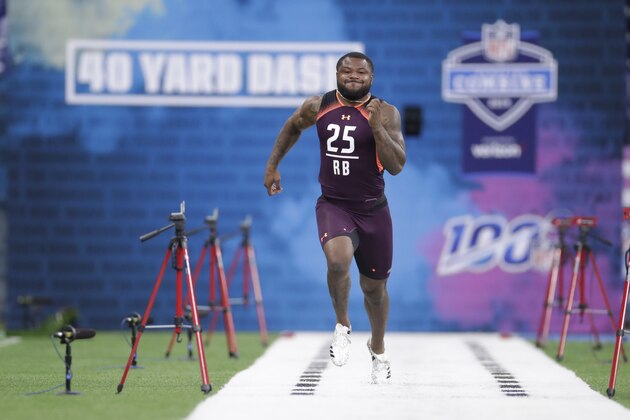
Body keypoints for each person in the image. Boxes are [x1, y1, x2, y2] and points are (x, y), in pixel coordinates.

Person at [263, 51, 406, 384]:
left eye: (361, 72)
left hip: (373, 209)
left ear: (372, 78)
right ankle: (342, 325)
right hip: (334, 204)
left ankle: (378, 348)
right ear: (337, 74)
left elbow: (397, 165)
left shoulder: (386, 113)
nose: (353, 76)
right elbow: (292, 127)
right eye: (346, 71)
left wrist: (377, 129)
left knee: (375, 290)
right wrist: (272, 166)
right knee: (338, 261)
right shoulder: (319, 105)